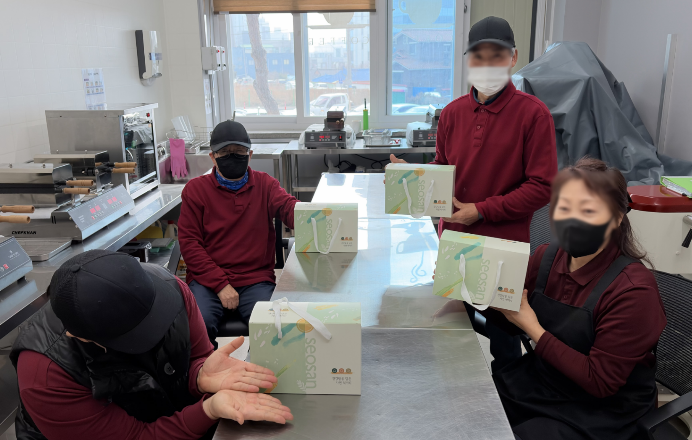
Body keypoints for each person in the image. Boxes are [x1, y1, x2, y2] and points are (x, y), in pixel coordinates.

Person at [437, 157, 666, 440]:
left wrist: (532, 327)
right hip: (545, 383)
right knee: (458, 410)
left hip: (602, 411)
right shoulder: (547, 257)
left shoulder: (633, 291)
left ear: (617, 218)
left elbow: (600, 382)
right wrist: (468, 292)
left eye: (588, 211)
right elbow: (512, 321)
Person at [390, 16, 558, 372]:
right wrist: (415, 176)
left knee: (505, 340)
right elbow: (445, 168)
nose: (487, 64)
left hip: (502, 249)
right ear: (468, 60)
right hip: (454, 242)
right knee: (454, 333)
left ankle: (510, 400)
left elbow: (542, 186)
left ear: (513, 58)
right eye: (479, 56)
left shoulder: (533, 114)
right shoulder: (452, 114)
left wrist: (481, 210)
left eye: (497, 56)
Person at [11, 250, 293, 440]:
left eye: (155, 316)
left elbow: (194, 358)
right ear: (79, 336)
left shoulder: (169, 287)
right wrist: (207, 410)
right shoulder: (46, 375)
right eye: (136, 335)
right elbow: (136, 437)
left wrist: (199, 375)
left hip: (166, 415)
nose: (156, 334)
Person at [178, 120, 297, 347]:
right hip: (207, 282)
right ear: (213, 157)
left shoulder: (266, 185)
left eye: (239, 151)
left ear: (250, 155)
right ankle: (206, 369)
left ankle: (260, 369)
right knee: (196, 329)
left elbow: (289, 209)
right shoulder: (195, 191)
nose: (232, 157)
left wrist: (319, 214)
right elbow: (190, 244)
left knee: (274, 329)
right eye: (225, 152)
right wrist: (220, 285)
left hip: (255, 280)